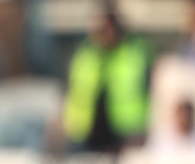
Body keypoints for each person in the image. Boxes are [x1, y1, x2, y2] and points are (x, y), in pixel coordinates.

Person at [63, 11, 153, 153]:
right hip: (85, 137)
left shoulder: (134, 54)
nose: (102, 35)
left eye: (106, 29)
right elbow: (72, 93)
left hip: (127, 136)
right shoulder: (84, 56)